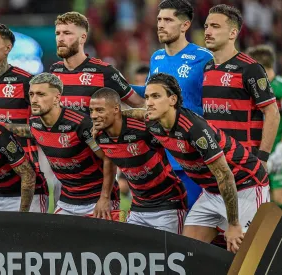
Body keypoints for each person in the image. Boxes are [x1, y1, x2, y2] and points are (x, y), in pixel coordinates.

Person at [123, 73, 270, 253]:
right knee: (188, 252)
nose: (149, 102)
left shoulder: (194, 128)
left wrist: (233, 224)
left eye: (156, 96)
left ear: (172, 99)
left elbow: (224, 175)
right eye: (146, 97)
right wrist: (114, 115)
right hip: (212, 192)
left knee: (246, 254)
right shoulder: (153, 121)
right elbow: (137, 113)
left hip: (245, 185)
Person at [133, 0, 214, 209]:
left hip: (194, 157)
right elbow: (149, 93)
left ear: (185, 25)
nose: (160, 24)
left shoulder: (204, 58)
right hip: (164, 155)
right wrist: (117, 85)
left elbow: (216, 103)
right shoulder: (156, 57)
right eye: (159, 19)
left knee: (193, 226)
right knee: (169, 226)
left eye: (168, 20)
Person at [6, 73, 119, 218]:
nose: (34, 100)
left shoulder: (80, 124)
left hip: (96, 200)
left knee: (100, 241)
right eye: (31, 94)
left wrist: (104, 198)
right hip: (67, 200)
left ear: (57, 98)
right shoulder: (35, 123)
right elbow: (19, 130)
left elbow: (108, 158)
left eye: (41, 94)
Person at [90, 87, 187, 233]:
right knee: (133, 254)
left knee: (168, 255)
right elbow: (109, 160)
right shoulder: (99, 135)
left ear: (116, 109)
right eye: (91, 110)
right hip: (138, 206)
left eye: (100, 110)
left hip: (168, 203)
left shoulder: (143, 129)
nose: (94, 115)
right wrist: (104, 197)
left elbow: (171, 125)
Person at [0, 23, 48, 209]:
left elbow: (46, 128)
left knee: (31, 239)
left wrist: (6, 129)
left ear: (8, 48)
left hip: (28, 183)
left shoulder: (26, 82)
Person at [203, 4, 280, 169]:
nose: (208, 31)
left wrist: (263, 158)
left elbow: (272, 113)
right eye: (207, 26)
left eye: (215, 26)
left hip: (244, 164)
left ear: (233, 33)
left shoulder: (250, 68)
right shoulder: (207, 68)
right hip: (215, 163)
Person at [50, 11, 144, 115]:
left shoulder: (105, 72)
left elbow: (140, 104)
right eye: (57, 33)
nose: (60, 39)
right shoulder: (54, 71)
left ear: (83, 38)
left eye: (67, 33)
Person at [247, 45, 282, 209]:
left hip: (277, 155)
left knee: (278, 200)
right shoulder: (255, 91)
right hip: (261, 155)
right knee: (264, 204)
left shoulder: (280, 89)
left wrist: (278, 155)